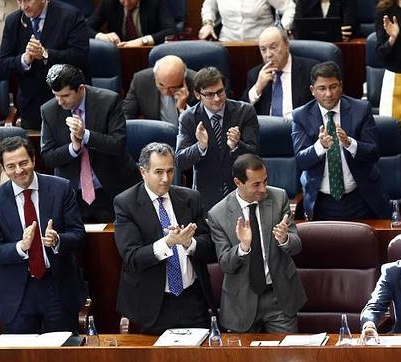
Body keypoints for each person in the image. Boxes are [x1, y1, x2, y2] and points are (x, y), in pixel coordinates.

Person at [0, 136, 87, 333]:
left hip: (57, 286)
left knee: (62, 352)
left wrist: (57, 240)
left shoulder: (61, 188)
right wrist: (20, 247)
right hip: (17, 292)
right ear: (3, 167)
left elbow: (79, 235)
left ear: (33, 159)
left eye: (23, 163)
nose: (19, 170)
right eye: (11, 166)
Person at [114, 142, 217, 334]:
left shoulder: (190, 198)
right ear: (143, 172)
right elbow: (132, 257)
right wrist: (167, 243)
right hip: (153, 304)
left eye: (170, 171)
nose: (165, 179)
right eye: (159, 172)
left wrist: (189, 242)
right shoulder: (126, 203)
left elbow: (211, 246)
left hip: (192, 300)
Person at [207, 154, 306, 333]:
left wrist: (285, 239)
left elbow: (296, 245)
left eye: (265, 181)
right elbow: (225, 264)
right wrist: (243, 247)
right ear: (238, 182)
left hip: (279, 297)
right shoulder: (218, 215)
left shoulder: (279, 197)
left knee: (288, 356)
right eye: (256, 184)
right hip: (241, 303)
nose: (263, 189)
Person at [40, 64, 140, 223]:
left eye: (65, 95)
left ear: (80, 89)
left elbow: (118, 144)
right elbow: (48, 156)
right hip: (74, 195)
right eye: (56, 95)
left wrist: (85, 135)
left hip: (112, 189)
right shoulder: (49, 110)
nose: (60, 102)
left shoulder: (108, 101)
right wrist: (73, 148)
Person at [292, 61, 388, 220]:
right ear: (312, 90)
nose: (328, 94)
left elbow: (374, 153)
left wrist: (350, 143)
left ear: (341, 86)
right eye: (322, 88)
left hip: (361, 197)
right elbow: (301, 161)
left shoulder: (361, 110)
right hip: (322, 201)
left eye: (333, 86)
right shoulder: (300, 116)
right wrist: (320, 146)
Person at [176, 67, 259, 212]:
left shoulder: (244, 112)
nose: (217, 98)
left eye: (220, 91)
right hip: (206, 197)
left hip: (240, 192)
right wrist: (200, 146)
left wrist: (236, 146)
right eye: (209, 94)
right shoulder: (188, 118)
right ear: (197, 94)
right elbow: (180, 161)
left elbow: (254, 154)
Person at [0, 0, 89, 130]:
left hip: (66, 103)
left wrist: (46, 54)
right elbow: (3, 65)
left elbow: (79, 56)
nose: (23, 6)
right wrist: (25, 59)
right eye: (19, 1)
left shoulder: (70, 16)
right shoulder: (13, 21)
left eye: (28, 0)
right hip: (31, 107)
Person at [242, 26, 318, 119]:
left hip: (300, 129)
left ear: (286, 45)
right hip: (268, 130)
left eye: (273, 47)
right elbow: (241, 111)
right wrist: (258, 87)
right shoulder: (255, 74)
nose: (268, 55)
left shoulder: (310, 69)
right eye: (263, 49)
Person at [122, 55, 197, 127]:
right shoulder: (141, 81)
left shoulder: (196, 84)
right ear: (155, 75)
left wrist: (183, 108)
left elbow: (202, 125)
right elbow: (127, 114)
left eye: (173, 87)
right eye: (161, 85)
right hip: (155, 135)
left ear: (183, 78)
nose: (166, 92)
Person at [86, 0, 175, 47]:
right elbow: (84, 28)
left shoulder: (154, 2)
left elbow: (171, 30)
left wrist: (143, 41)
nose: (126, 3)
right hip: (118, 53)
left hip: (146, 52)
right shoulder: (109, 3)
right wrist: (100, 36)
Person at [199, 0, 296, 41]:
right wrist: (208, 23)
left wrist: (282, 29)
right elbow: (209, 7)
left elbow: (289, 7)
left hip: (262, 44)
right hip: (227, 42)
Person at [294, 0, 359, 40]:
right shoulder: (303, 1)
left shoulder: (347, 1)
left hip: (341, 46)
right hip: (310, 45)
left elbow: (348, 28)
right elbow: (298, 28)